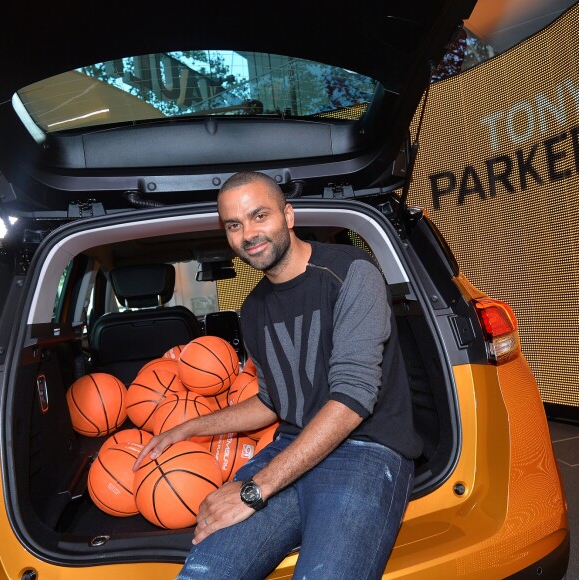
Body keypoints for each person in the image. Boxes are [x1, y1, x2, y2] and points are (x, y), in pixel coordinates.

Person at [133, 171, 423, 579]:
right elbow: (273, 401)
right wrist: (187, 428)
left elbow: (353, 399)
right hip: (289, 451)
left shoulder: (352, 272)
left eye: (259, 216)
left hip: (366, 452)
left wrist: (253, 490)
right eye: (234, 225)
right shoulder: (253, 310)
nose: (247, 233)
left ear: (288, 215)